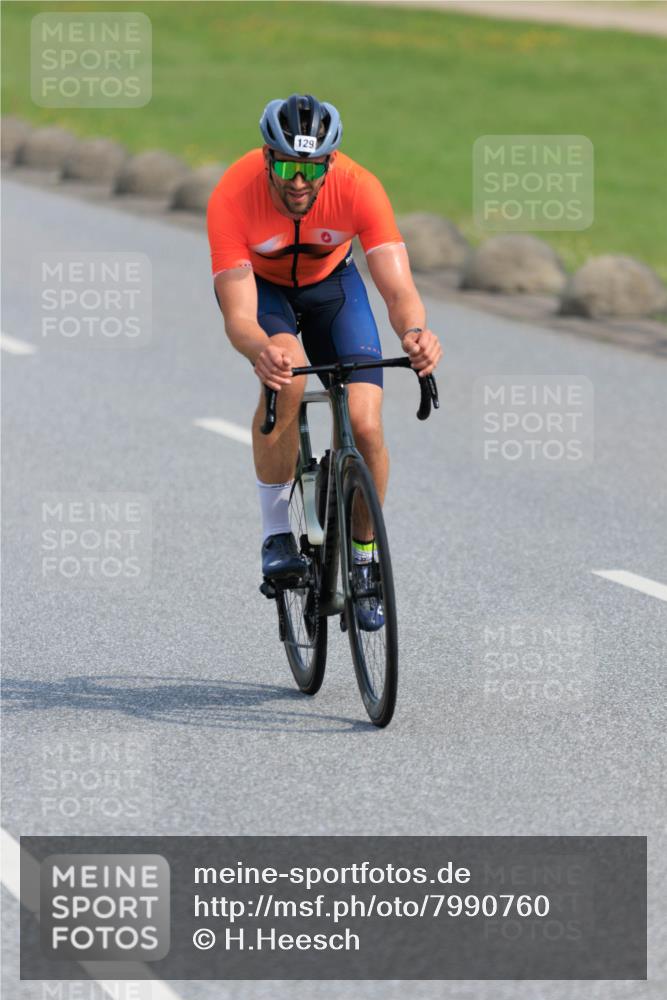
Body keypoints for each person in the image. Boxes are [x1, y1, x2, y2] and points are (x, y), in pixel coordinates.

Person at [207, 94, 442, 630]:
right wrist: (258, 349)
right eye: (287, 166)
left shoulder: (359, 188)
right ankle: (276, 534)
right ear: (268, 158)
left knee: (364, 422)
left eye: (310, 169)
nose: (297, 183)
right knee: (286, 372)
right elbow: (239, 315)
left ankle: (363, 558)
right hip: (263, 293)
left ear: (329, 164)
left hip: (333, 289)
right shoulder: (233, 196)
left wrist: (415, 332)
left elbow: (398, 286)